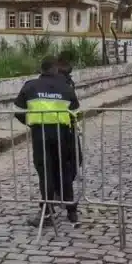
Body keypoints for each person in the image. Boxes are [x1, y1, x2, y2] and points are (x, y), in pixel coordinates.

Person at [14, 56, 80, 227]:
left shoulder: (30, 86)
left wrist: (31, 122)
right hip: (63, 134)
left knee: (45, 174)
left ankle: (47, 213)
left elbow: (18, 111)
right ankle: (71, 210)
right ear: (55, 69)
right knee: (64, 171)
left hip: (40, 134)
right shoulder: (65, 87)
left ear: (41, 69)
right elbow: (75, 112)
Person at [56, 51, 83, 180]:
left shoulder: (64, 79)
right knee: (71, 154)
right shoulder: (65, 81)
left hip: (60, 123)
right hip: (66, 123)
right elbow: (74, 105)